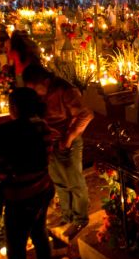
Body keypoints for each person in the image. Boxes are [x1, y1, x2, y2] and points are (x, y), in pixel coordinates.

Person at [0, 87, 54, 259]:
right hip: (42, 188)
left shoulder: (8, 133)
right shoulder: (43, 126)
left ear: (15, 107)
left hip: (21, 196)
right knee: (39, 233)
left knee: (16, 243)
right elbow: (47, 153)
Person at [21, 63, 94, 237]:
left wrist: (68, 138)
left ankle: (80, 219)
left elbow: (86, 114)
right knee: (59, 182)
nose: (35, 94)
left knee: (74, 182)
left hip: (66, 143)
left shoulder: (65, 90)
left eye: (35, 89)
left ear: (45, 81)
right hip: (49, 142)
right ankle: (67, 215)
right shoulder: (40, 96)